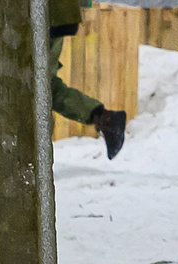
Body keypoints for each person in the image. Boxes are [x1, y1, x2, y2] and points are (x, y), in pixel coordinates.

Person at [48, 0, 126, 159]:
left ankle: (105, 117)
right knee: (44, 85)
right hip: (51, 14)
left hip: (44, 15)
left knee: (40, 85)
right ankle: (104, 117)